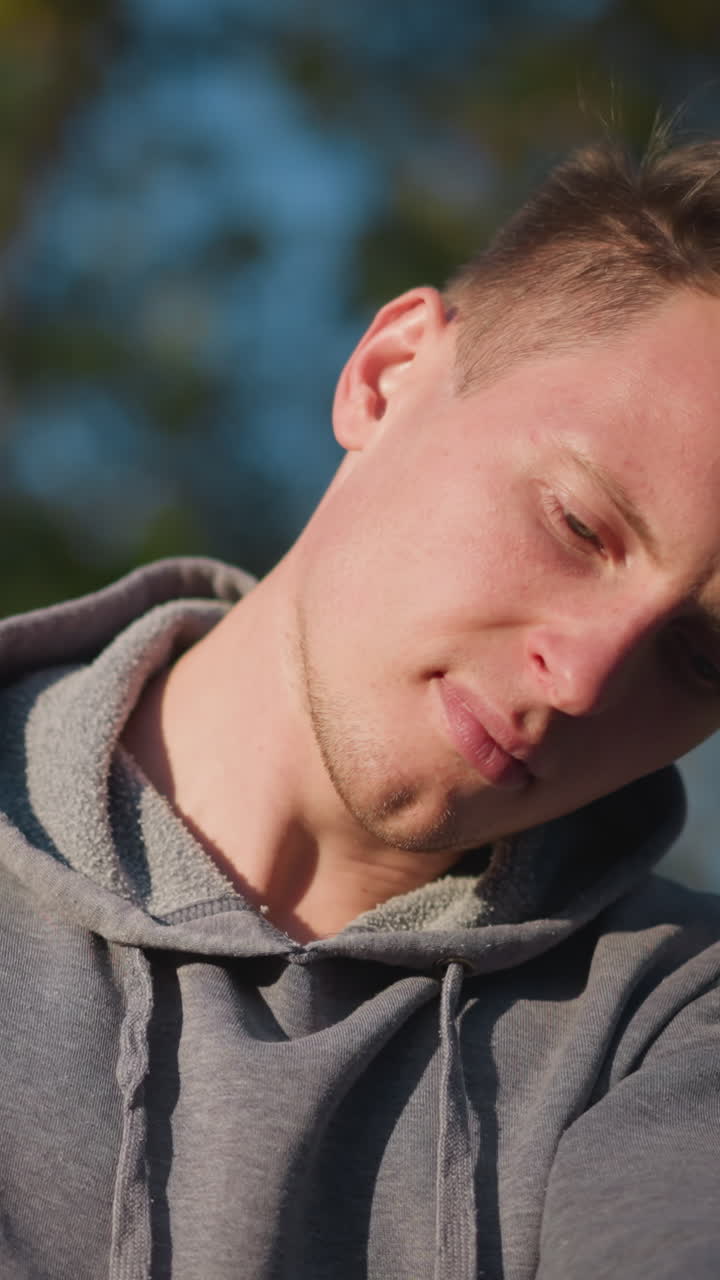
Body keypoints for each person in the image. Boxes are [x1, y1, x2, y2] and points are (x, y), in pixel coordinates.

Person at [2, 135, 720, 1280]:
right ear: (387, 374)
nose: (583, 679)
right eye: (580, 526)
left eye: (699, 658)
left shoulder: (673, 1026)